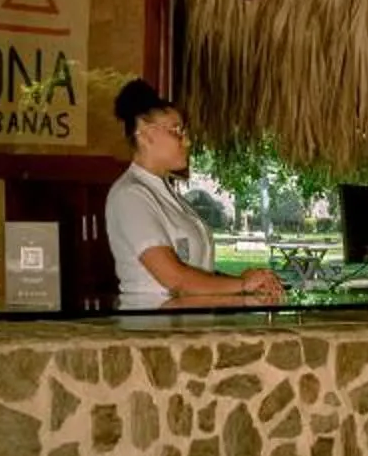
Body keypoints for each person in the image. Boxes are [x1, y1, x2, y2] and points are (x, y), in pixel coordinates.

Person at [104, 81, 284, 311]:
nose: (187, 142)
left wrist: (243, 281)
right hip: (152, 327)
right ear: (146, 134)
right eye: (176, 131)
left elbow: (196, 271)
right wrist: (241, 284)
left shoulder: (167, 195)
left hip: (184, 325)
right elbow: (176, 279)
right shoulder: (130, 196)